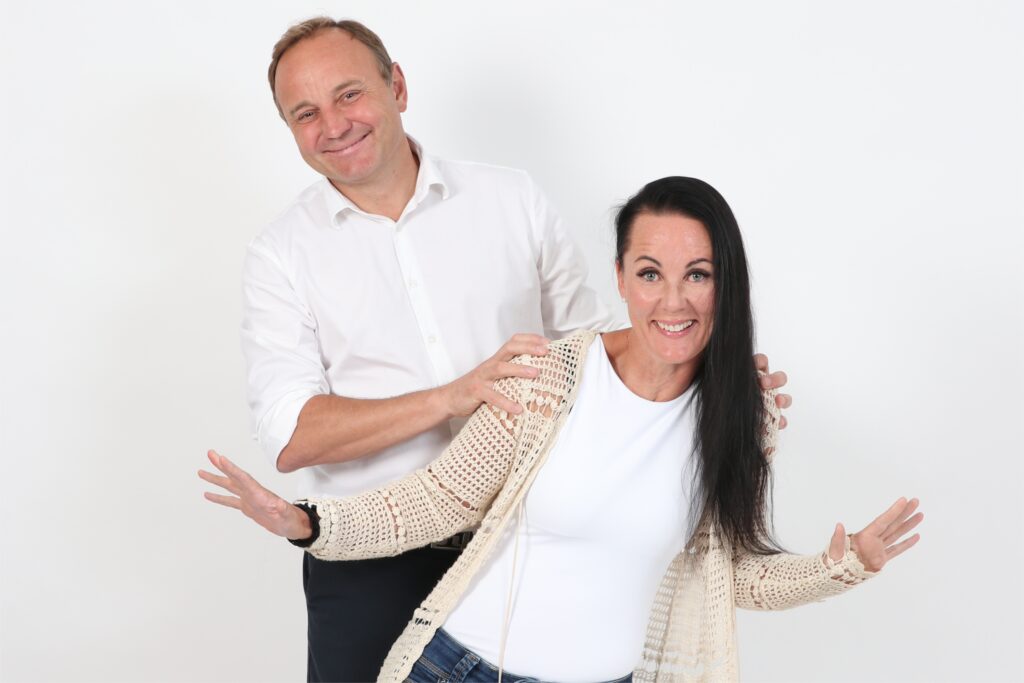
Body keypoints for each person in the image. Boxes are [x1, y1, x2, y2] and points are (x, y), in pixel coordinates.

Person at [246, 17, 791, 681]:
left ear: (398, 87)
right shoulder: (281, 254)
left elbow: (603, 352)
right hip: (366, 560)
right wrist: (449, 398)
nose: (334, 124)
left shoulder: (510, 199)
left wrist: (715, 370)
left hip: (522, 546)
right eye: (305, 113)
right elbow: (293, 435)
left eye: (349, 94)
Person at [206, 176, 921, 682]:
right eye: (650, 273)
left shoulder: (741, 416)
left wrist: (845, 563)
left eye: (698, 275)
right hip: (462, 670)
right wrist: (307, 521)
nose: (672, 300)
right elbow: (437, 500)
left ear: (727, 282)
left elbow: (727, 574)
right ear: (621, 277)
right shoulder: (549, 378)